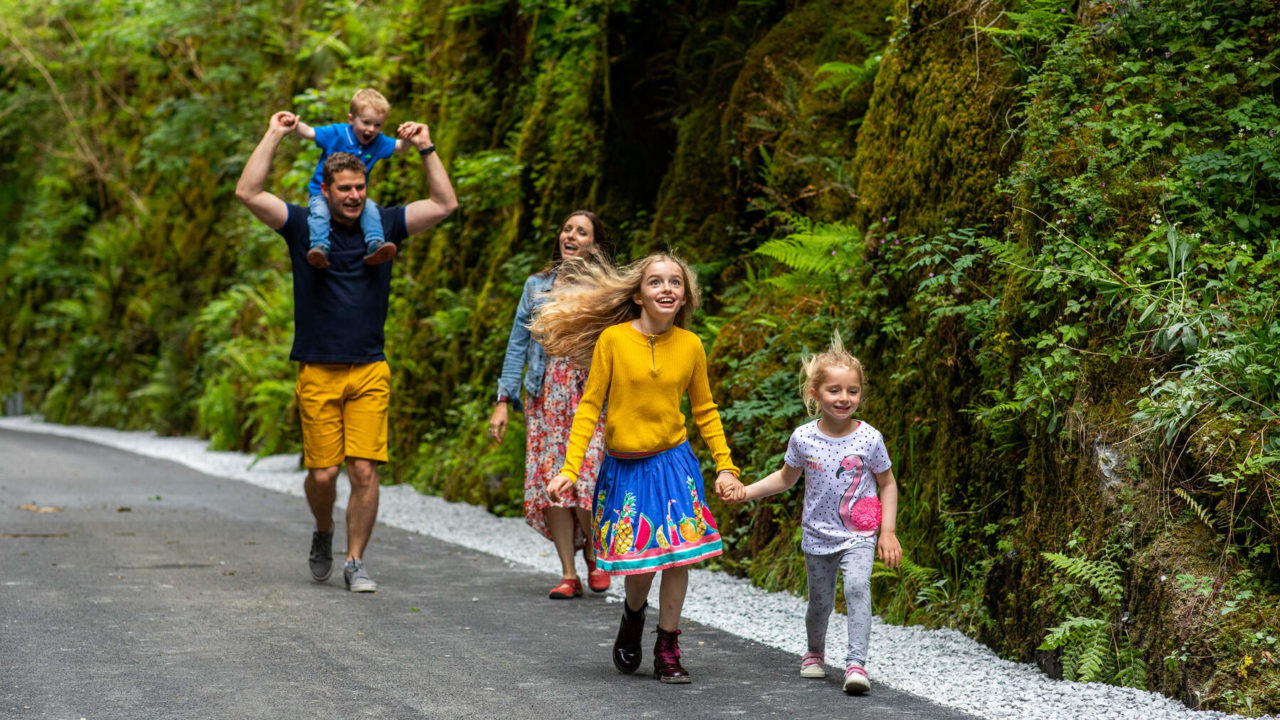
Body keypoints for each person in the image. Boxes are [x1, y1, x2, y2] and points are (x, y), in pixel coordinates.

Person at [235, 110, 457, 593]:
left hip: (370, 369)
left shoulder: (386, 225)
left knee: (362, 469)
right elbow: (248, 193)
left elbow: (444, 204)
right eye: (345, 189)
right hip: (318, 370)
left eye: (360, 187)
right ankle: (323, 530)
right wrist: (274, 133)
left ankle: (356, 561)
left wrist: (425, 147)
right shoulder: (302, 226)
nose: (354, 195)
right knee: (323, 475)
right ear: (327, 190)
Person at [534, 253, 745, 683]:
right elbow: (590, 406)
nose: (667, 288)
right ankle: (633, 615)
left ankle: (667, 646)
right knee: (642, 564)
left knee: (679, 556)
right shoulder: (613, 340)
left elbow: (705, 410)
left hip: (674, 464)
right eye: (656, 282)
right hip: (626, 468)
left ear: (684, 296)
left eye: (675, 282)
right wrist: (570, 469)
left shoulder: (691, 345)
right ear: (638, 294)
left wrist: (726, 466)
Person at [726, 331, 901, 694]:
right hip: (818, 534)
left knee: (857, 589)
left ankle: (856, 664)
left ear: (861, 394)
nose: (844, 398)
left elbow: (887, 483)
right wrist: (745, 492)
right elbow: (785, 478)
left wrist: (887, 531)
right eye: (834, 390)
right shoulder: (803, 438)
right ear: (815, 394)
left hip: (859, 534)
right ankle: (814, 653)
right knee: (819, 603)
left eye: (852, 391)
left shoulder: (870, 438)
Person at [488, 211, 612, 599]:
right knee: (552, 482)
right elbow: (517, 345)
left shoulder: (606, 287)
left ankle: (593, 551)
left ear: (595, 244)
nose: (570, 236)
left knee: (588, 478)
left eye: (582, 232)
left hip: (590, 395)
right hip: (546, 398)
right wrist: (503, 400)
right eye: (567, 229)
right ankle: (568, 572)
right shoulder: (536, 285)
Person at [291, 88, 418, 269]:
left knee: (371, 209)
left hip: (355, 196)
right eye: (366, 123)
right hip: (322, 193)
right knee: (320, 212)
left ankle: (375, 244)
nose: (371, 129)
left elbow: (401, 148)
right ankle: (320, 247)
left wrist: (409, 136)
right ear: (351, 119)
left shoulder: (378, 141)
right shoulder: (337, 133)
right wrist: (294, 124)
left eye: (377, 125)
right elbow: (310, 133)